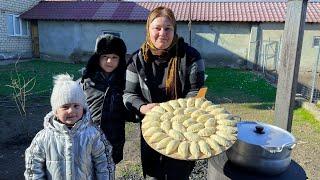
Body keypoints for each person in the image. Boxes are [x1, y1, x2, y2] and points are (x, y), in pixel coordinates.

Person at [123, 6, 205, 180]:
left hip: (184, 128)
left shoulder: (190, 57)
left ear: (174, 30)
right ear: (148, 30)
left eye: (168, 28)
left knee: (179, 174)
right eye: (157, 28)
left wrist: (177, 111)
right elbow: (129, 94)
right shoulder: (137, 60)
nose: (163, 33)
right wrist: (143, 107)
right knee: (153, 175)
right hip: (152, 129)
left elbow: (196, 91)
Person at [24, 74, 115, 179]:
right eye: (65, 107)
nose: (71, 111)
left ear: (83, 107)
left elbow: (104, 164)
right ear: (56, 111)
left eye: (76, 106)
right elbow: (33, 168)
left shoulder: (93, 134)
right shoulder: (43, 138)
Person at [80, 34, 132, 164]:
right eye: (105, 57)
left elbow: (129, 113)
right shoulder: (85, 83)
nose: (110, 61)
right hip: (88, 143)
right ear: (97, 58)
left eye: (114, 57)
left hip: (113, 142)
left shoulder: (124, 84)